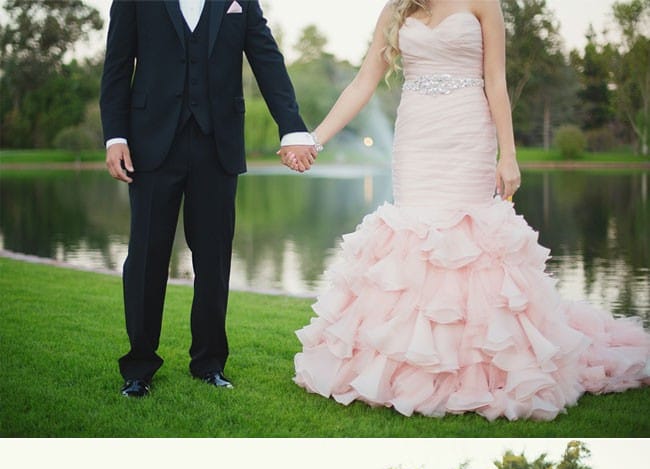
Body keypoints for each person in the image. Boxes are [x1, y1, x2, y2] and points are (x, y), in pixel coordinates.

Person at [291, 0, 650, 421]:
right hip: (417, 136)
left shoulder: (483, 2)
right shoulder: (397, 8)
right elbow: (363, 81)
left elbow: (496, 81)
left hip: (467, 129)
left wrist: (508, 154)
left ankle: (483, 365)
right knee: (418, 240)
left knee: (469, 238)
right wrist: (314, 140)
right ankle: (416, 362)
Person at [100, 0, 318, 398]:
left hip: (217, 145)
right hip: (151, 144)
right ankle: (139, 368)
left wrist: (292, 127)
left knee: (214, 261)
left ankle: (209, 364)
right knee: (146, 258)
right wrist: (115, 136)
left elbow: (267, 59)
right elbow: (116, 63)